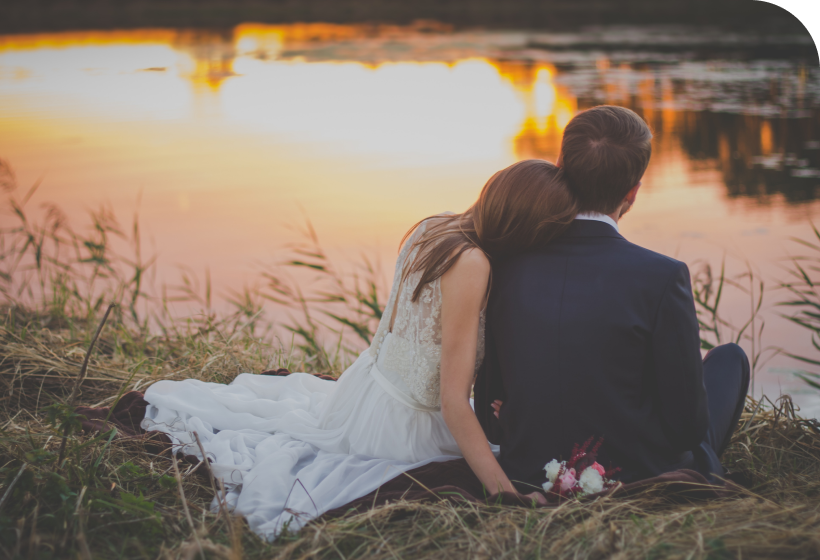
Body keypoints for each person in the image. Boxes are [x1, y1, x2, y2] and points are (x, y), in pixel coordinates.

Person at [141, 159, 577, 539]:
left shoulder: (436, 225)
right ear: (527, 228)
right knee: (502, 463)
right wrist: (503, 494)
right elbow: (451, 401)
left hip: (363, 391)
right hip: (402, 426)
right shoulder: (473, 264)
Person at [475, 105, 750, 491]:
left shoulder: (503, 267)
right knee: (730, 359)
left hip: (528, 470)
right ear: (632, 192)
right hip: (634, 472)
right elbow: (686, 431)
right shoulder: (663, 276)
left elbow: (489, 420)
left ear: (560, 168)